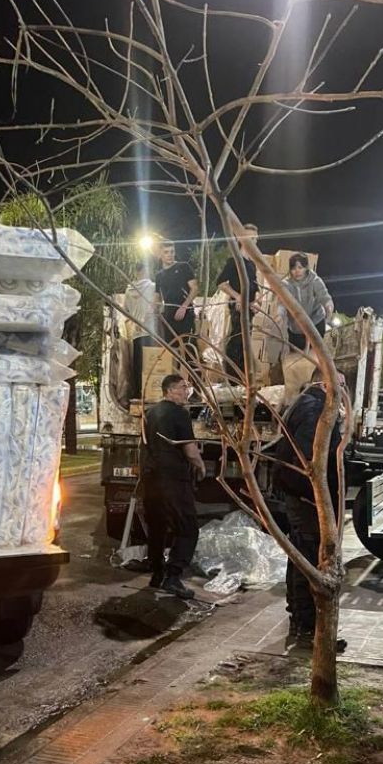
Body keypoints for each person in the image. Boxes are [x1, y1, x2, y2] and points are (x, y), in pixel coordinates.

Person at [273, 370, 347, 652]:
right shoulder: (316, 408)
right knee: (309, 556)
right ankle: (307, 626)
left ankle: (300, 619)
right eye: (340, 385)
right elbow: (308, 460)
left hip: (299, 492)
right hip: (305, 495)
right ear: (324, 382)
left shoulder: (306, 402)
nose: (343, 391)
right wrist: (317, 496)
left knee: (302, 554)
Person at [140, 374, 206, 599]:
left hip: (152, 478)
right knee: (188, 528)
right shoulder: (179, 414)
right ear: (169, 390)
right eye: (182, 387)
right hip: (173, 479)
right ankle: (174, 577)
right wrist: (200, 465)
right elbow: (190, 449)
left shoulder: (151, 412)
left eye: (188, 386)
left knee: (157, 526)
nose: (186, 391)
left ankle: (157, 572)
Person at [216, 224, 260, 381]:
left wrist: (255, 303)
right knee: (237, 340)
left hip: (249, 308)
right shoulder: (234, 260)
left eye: (254, 238)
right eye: (249, 237)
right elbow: (220, 282)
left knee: (245, 343)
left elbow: (254, 287)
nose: (252, 241)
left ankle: (243, 378)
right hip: (238, 308)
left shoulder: (252, 264)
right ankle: (233, 378)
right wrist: (237, 296)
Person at [155, 241, 199, 361]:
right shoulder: (159, 275)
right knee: (172, 352)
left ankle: (193, 379)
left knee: (189, 350)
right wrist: (154, 310)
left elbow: (194, 289)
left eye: (172, 252)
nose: (170, 255)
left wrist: (184, 307)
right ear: (160, 254)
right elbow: (157, 297)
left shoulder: (183, 267)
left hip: (185, 315)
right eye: (166, 252)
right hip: (168, 318)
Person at [282, 253, 334, 351]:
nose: (297, 271)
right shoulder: (286, 284)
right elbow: (281, 304)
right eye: (293, 268)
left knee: (316, 354)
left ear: (306, 268)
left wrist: (328, 307)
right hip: (296, 328)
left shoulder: (315, 281)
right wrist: (279, 315)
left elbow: (325, 297)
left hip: (315, 324)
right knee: (297, 358)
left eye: (300, 267)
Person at [124, 262, 159, 399]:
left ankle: (139, 393)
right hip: (150, 332)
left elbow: (125, 310)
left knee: (138, 364)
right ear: (146, 270)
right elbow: (157, 307)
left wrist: (135, 320)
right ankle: (152, 392)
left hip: (136, 332)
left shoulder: (128, 290)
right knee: (151, 363)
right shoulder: (152, 287)